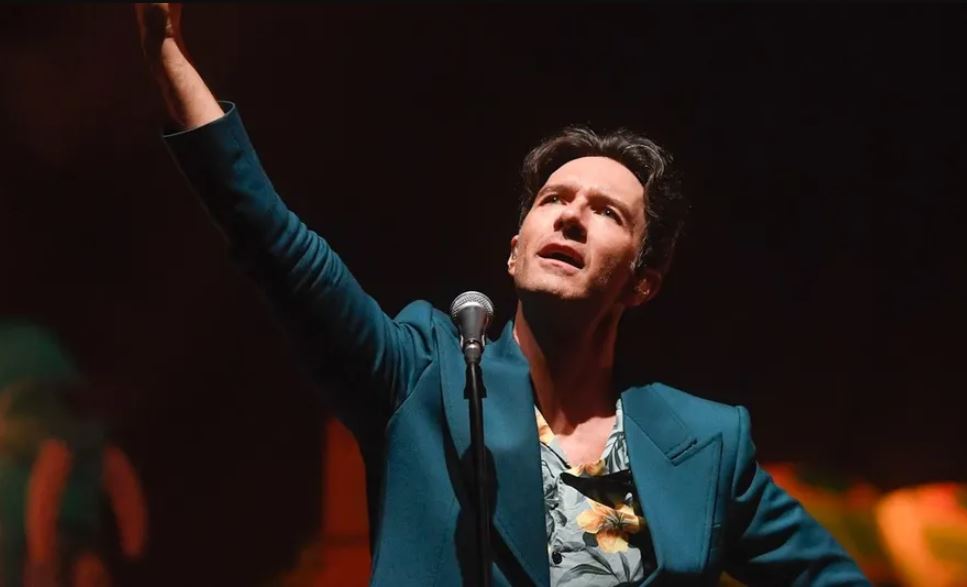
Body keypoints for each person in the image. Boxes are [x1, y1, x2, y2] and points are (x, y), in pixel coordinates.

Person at [134, 4, 868, 585]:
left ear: (642, 281)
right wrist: (167, 53)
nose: (572, 216)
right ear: (515, 250)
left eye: (607, 213)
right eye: (554, 199)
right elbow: (277, 246)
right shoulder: (424, 378)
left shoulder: (701, 444)